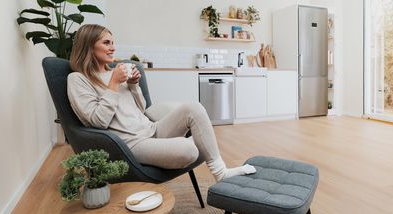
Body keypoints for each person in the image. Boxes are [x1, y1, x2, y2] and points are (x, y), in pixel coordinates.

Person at [67, 24, 256, 181]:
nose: (113, 48)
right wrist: (115, 83)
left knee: (194, 107)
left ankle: (221, 173)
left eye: (113, 43)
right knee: (190, 149)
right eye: (106, 43)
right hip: (132, 143)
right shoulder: (78, 79)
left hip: (152, 129)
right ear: (89, 46)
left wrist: (133, 85)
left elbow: (141, 109)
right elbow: (97, 122)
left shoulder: (115, 71)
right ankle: (198, 142)